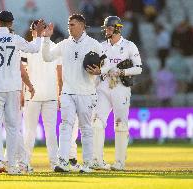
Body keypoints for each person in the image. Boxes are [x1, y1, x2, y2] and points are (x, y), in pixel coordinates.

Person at [0, 11, 45, 175]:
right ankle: (13, 165)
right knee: (13, 127)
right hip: (13, 88)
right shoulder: (16, 39)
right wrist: (39, 34)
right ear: (11, 24)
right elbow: (35, 48)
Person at [42, 14, 106, 173]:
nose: (69, 27)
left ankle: (88, 163)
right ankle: (63, 161)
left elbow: (107, 64)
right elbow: (47, 57)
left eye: (72, 24)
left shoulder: (94, 44)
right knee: (65, 126)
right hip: (68, 92)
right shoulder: (64, 44)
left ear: (82, 26)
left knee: (86, 128)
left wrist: (100, 71)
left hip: (86, 93)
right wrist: (46, 40)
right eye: (68, 24)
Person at [88, 16, 142, 171]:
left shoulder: (129, 46)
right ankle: (97, 160)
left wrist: (122, 71)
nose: (106, 31)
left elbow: (138, 68)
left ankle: (119, 162)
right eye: (106, 28)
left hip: (121, 87)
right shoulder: (100, 46)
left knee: (120, 125)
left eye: (109, 28)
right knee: (97, 122)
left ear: (118, 28)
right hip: (103, 86)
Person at [21, 20, 62, 171]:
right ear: (32, 31)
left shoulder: (54, 48)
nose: (38, 31)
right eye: (35, 29)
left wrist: (60, 93)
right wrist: (21, 93)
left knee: (49, 131)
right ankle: (25, 163)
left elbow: (59, 73)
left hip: (49, 95)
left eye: (41, 29)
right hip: (32, 96)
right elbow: (22, 72)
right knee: (30, 131)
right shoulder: (26, 48)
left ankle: (54, 163)